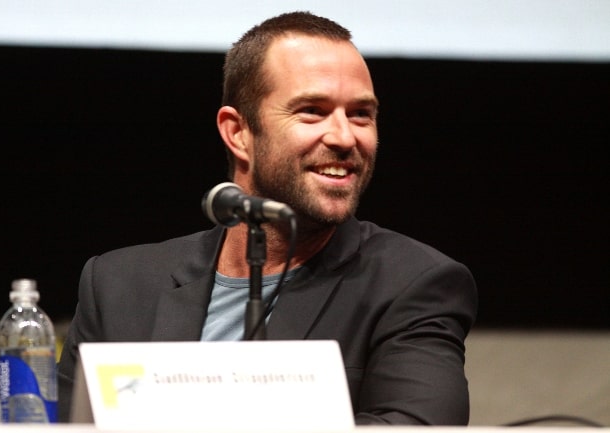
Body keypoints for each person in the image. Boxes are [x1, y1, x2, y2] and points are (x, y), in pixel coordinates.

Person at [57, 11, 477, 425]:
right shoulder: (118, 284)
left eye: (361, 114)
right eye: (312, 110)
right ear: (238, 132)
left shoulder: (415, 283)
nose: (345, 137)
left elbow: (417, 426)